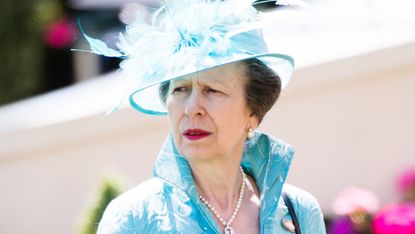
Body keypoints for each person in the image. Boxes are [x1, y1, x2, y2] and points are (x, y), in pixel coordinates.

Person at [84, 0, 326, 233]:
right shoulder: (133, 218)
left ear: (253, 112)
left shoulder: (298, 212)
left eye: (213, 90)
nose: (192, 108)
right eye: (180, 89)